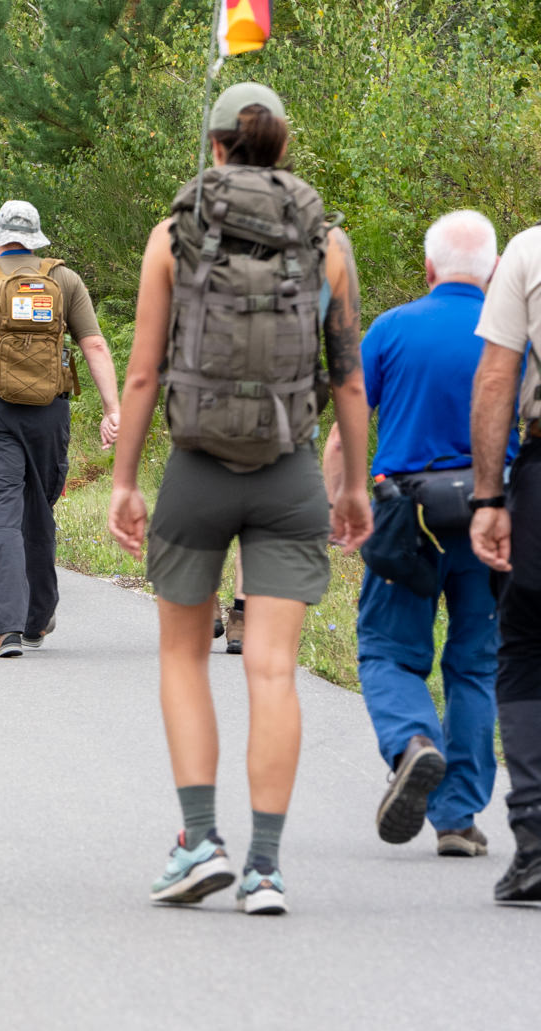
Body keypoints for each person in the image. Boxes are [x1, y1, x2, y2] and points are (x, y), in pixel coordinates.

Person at [109, 82, 371, 917]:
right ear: (283, 147)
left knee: (184, 656)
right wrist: (354, 483)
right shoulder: (328, 243)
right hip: (290, 470)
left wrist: (122, 479)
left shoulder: (172, 235)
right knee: (273, 669)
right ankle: (263, 866)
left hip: (194, 471)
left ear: (215, 147)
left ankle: (199, 840)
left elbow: (144, 371)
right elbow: (349, 379)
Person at [319, 211, 507, 859]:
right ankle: (457, 816)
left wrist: (335, 505)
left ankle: (412, 742)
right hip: (493, 516)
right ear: (496, 271)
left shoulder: (392, 328)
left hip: (407, 517)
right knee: (477, 664)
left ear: (428, 270)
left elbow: (346, 426)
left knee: (387, 649)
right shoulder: (514, 337)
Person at [0, 199, 121, 656]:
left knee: (1, 511)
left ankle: (6, 629)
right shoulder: (63, 279)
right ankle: (37, 620)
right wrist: (111, 408)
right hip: (49, 411)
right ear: (37, 237)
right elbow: (95, 345)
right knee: (38, 511)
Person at [469, 214, 541, 903]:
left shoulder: (529, 250)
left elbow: (497, 377)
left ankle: (537, 839)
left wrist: (489, 495)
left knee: (524, 641)